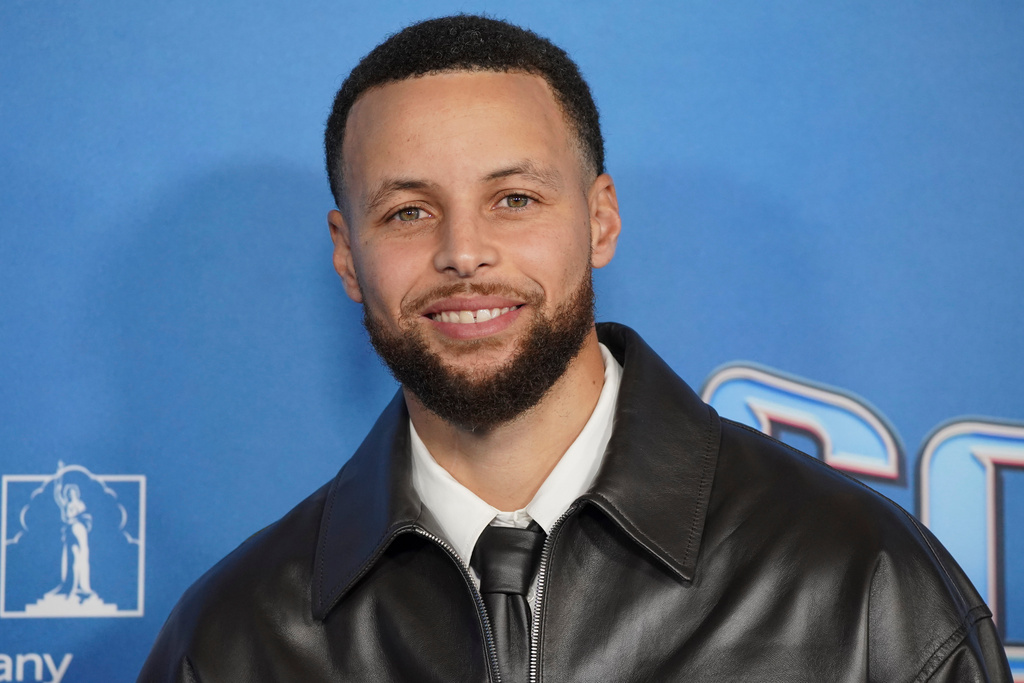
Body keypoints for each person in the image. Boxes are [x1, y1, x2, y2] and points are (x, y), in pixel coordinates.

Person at [139, 15, 1011, 682]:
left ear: (600, 219)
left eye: (514, 199)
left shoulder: (860, 584)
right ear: (345, 255)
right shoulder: (234, 637)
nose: (464, 252)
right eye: (409, 211)